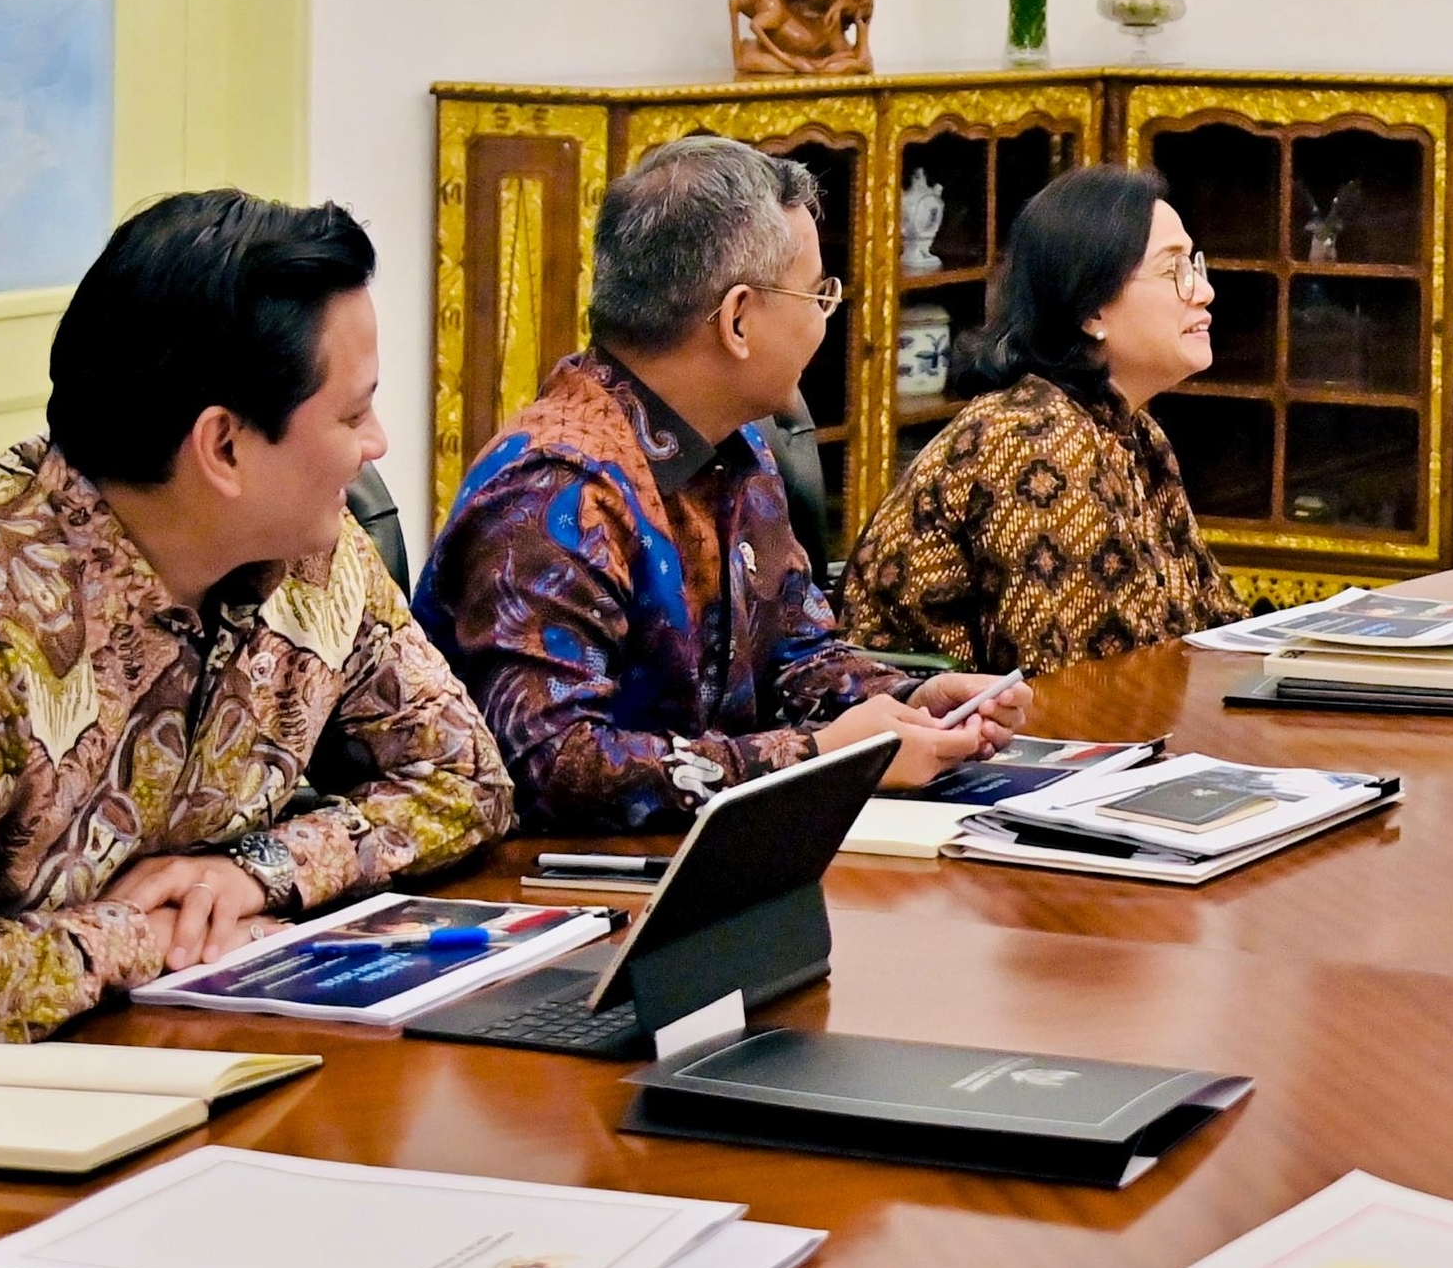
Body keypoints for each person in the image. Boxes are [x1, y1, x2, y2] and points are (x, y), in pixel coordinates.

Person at [0, 195, 511, 1106]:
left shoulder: (315, 552)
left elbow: (468, 778)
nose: (376, 444)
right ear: (223, 445)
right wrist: (142, 934)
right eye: (353, 415)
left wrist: (257, 871)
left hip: (166, 1063)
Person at [417, 136, 1020, 830]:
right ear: (737, 319)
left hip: (711, 858)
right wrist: (816, 756)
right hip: (569, 893)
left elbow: (797, 655)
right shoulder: (557, 488)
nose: (828, 318)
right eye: (817, 293)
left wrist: (912, 701)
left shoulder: (739, 446)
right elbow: (554, 766)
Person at [841, 168, 1246, 674]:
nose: (1203, 292)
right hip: (948, 741)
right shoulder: (1034, 439)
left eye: (1195, 265)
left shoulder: (1135, 431)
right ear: (1091, 308)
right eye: (1173, 272)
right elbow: (1073, 685)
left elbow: (1216, 622)